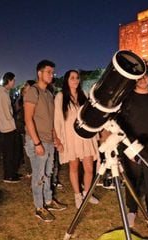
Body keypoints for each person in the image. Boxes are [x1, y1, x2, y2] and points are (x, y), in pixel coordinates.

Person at [118, 69, 148, 227]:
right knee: (132, 178)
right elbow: (121, 124)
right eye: (138, 77)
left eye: (145, 76)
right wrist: (129, 146)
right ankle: (132, 210)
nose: (142, 79)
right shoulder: (127, 97)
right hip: (133, 145)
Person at [24, 60, 67, 222]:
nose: (51, 75)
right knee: (39, 176)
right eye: (48, 72)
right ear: (39, 73)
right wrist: (37, 143)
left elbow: (51, 120)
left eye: (52, 72)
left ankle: (48, 200)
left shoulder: (49, 93)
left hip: (49, 140)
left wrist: (55, 138)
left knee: (48, 173)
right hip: (38, 141)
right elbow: (28, 119)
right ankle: (39, 206)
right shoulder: (33, 91)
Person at [54, 70, 99, 209]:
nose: (75, 80)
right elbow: (57, 119)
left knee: (89, 168)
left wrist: (95, 134)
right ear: (66, 80)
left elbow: (90, 115)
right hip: (70, 136)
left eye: (77, 78)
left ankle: (87, 193)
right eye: (72, 78)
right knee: (73, 167)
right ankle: (77, 195)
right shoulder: (61, 96)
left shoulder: (84, 95)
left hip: (85, 136)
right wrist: (58, 139)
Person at [0, 72, 21, 183]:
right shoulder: (3, 94)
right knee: (10, 153)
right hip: (7, 127)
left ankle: (12, 173)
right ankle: (9, 176)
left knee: (11, 152)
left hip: (5, 127)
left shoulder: (3, 92)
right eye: (14, 80)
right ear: (9, 80)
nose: (14, 82)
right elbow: (7, 113)